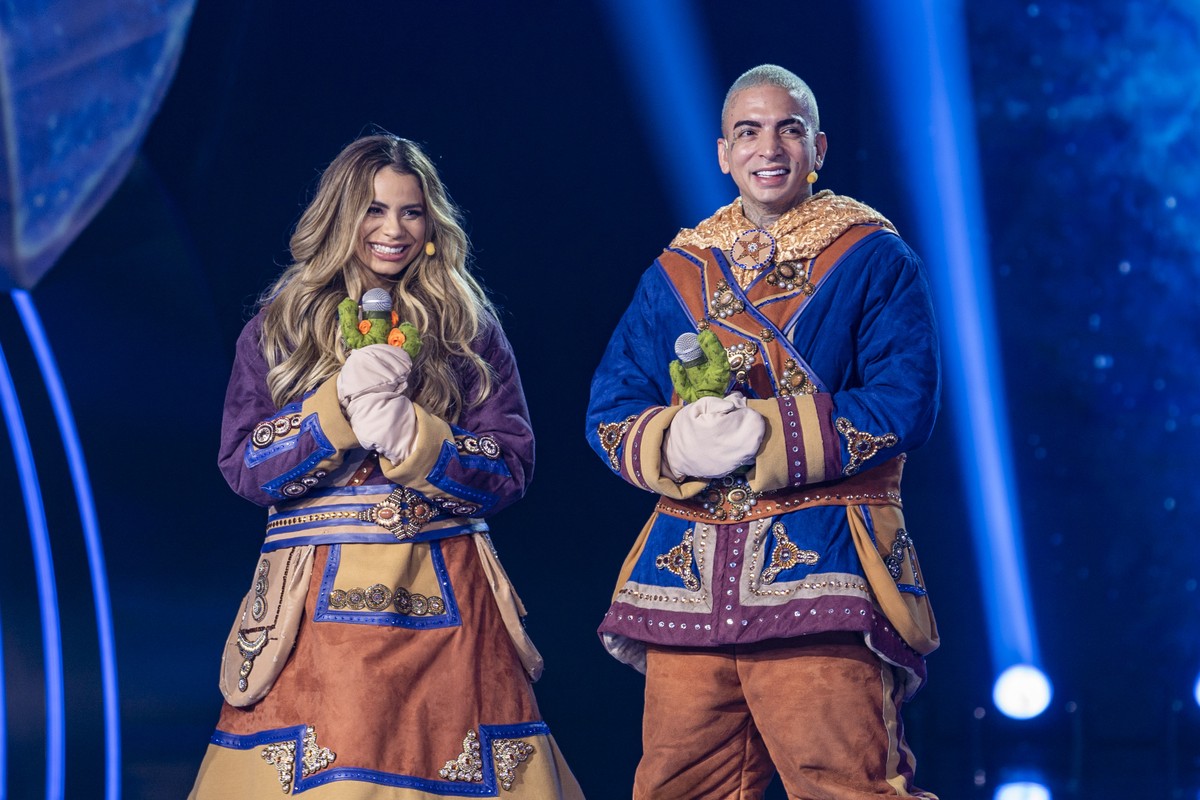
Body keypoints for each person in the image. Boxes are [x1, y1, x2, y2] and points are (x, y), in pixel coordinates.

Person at [190, 133, 584, 799]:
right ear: (343, 216)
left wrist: (416, 438)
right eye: (374, 209)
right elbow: (243, 464)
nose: (393, 229)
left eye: (411, 210)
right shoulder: (280, 324)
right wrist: (333, 414)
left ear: (432, 223)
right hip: (311, 610)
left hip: (449, 600)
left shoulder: (467, 325)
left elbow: (512, 464)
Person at [586, 65, 941, 799]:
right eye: (749, 131)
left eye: (788, 129)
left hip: (824, 567)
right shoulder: (676, 271)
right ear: (724, 152)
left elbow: (905, 403)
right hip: (688, 573)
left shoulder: (875, 257)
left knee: (845, 786)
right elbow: (611, 411)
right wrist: (675, 442)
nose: (768, 147)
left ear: (819, 146)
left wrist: (766, 434)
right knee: (676, 791)